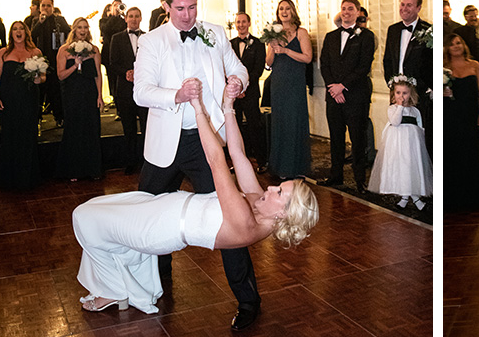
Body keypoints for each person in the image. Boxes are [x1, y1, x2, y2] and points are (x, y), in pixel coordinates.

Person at [73, 80, 319, 314]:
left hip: (158, 228)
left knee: (84, 218)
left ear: (283, 213)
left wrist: (199, 108)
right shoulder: (259, 206)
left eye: (278, 192)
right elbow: (237, 153)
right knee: (96, 211)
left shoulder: (246, 222)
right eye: (278, 186)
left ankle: (113, 290)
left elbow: (216, 161)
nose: (270, 188)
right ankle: (120, 286)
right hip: (165, 205)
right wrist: (228, 107)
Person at [133, 0, 259, 331]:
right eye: (179, 9)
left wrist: (238, 82)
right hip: (167, 143)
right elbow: (141, 92)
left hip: (207, 142)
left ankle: (248, 301)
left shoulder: (215, 33)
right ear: (166, 6)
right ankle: (157, 283)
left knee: (231, 217)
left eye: (192, 7)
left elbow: (238, 68)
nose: (187, 16)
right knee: (149, 214)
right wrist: (177, 94)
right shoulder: (152, 40)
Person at [318, 0, 375, 192]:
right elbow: (324, 64)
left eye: (350, 9)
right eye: (343, 8)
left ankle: (360, 179)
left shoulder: (366, 37)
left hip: (355, 95)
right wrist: (333, 87)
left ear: (358, 12)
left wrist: (343, 85)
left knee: (358, 138)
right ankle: (336, 175)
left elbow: (363, 66)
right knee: (335, 137)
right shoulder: (330, 36)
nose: (346, 12)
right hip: (333, 96)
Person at [368, 76, 432, 209]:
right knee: (401, 168)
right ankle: (413, 200)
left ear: (410, 94)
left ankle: (408, 199)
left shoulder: (415, 111)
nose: (401, 96)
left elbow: (421, 128)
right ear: (393, 94)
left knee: (410, 169)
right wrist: (400, 107)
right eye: (398, 93)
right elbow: (396, 121)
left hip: (411, 145)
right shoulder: (392, 109)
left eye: (405, 93)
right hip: (397, 144)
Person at [265, 0, 312, 180]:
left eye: (287, 8)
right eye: (281, 9)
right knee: (281, 123)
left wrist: (286, 51)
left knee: (295, 122)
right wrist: (272, 46)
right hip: (278, 82)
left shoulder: (301, 32)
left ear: (293, 11)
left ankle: (297, 166)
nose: (284, 12)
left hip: (295, 82)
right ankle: (280, 166)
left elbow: (308, 58)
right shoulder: (273, 33)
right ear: (278, 13)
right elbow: (268, 63)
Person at [0, 21, 43, 189]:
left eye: (21, 29)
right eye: (15, 29)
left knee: (28, 136)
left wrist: (38, 79)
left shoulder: (35, 52)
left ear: (26, 32)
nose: (18, 32)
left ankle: (29, 178)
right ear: (11, 33)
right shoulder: (3, 53)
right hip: (9, 101)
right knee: (10, 136)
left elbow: (43, 77)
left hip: (29, 99)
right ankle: (10, 179)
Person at [383, 0, 432, 154]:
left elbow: (431, 63)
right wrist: (392, 85)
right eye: (402, 4)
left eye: (409, 5)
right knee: (397, 136)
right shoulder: (393, 30)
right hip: (397, 94)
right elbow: (387, 60)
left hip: (419, 95)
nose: (404, 8)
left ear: (418, 8)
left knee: (419, 137)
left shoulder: (429, 31)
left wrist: (426, 88)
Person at [56, 17, 103, 181]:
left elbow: (98, 75)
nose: (83, 30)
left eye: (85, 27)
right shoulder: (64, 50)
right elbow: (60, 75)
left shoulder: (95, 50)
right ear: (74, 29)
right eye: (79, 27)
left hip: (89, 94)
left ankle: (93, 169)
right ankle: (73, 170)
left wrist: (100, 96)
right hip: (72, 94)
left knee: (91, 128)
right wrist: (75, 65)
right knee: (74, 129)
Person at [443, 34, 479, 211]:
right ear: (446, 48)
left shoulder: (475, 65)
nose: (456, 46)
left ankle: (471, 197)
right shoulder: (443, 67)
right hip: (450, 116)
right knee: (451, 155)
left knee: (469, 153)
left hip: (470, 115)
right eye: (452, 44)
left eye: (459, 43)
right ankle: (452, 198)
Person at [109, 8, 148, 175]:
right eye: (130, 16)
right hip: (125, 90)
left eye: (136, 16)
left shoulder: (148, 37)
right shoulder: (116, 38)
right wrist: (126, 72)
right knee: (129, 127)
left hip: (145, 90)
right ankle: (131, 161)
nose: (133, 19)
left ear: (141, 18)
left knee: (147, 126)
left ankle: (149, 162)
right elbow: (112, 62)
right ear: (125, 19)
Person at [229, 12, 266, 169]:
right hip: (233, 94)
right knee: (234, 129)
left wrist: (244, 87)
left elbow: (258, 70)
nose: (241, 25)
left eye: (244, 22)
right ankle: (238, 162)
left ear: (249, 23)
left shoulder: (258, 44)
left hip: (250, 93)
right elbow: (226, 67)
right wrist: (235, 88)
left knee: (254, 127)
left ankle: (261, 161)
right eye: (238, 22)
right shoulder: (229, 44)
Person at [30, 0, 70, 127]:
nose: (45, 8)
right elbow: (31, 36)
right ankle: (36, 118)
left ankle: (60, 117)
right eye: (43, 6)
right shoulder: (36, 20)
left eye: (48, 6)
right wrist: (40, 21)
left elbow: (69, 34)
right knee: (39, 91)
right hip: (40, 60)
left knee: (56, 90)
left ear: (53, 7)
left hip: (56, 60)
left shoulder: (60, 20)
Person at [100, 0, 127, 107]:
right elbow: (106, 30)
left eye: (119, 5)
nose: (117, 7)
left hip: (122, 54)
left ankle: (122, 104)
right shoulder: (103, 21)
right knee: (111, 79)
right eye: (115, 5)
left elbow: (124, 30)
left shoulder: (123, 20)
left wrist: (121, 16)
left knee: (121, 80)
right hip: (108, 53)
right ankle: (116, 103)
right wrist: (113, 16)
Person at [454, 5, 479, 72]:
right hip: (463, 66)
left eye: (476, 16)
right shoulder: (458, 32)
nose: (474, 18)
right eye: (471, 16)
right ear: (466, 17)